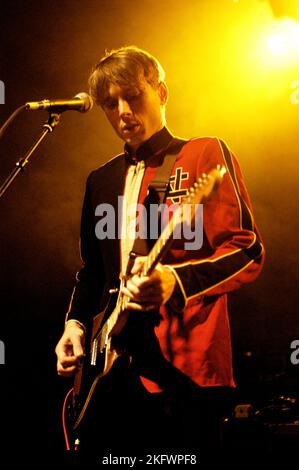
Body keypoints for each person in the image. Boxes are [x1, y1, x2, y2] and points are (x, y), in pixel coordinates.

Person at [55, 46, 265, 461]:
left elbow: (248, 251)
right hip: (110, 376)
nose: (122, 112)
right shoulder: (101, 179)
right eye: (110, 104)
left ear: (162, 92)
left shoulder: (202, 154)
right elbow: (92, 273)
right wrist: (75, 325)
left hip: (185, 367)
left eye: (133, 96)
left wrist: (176, 281)